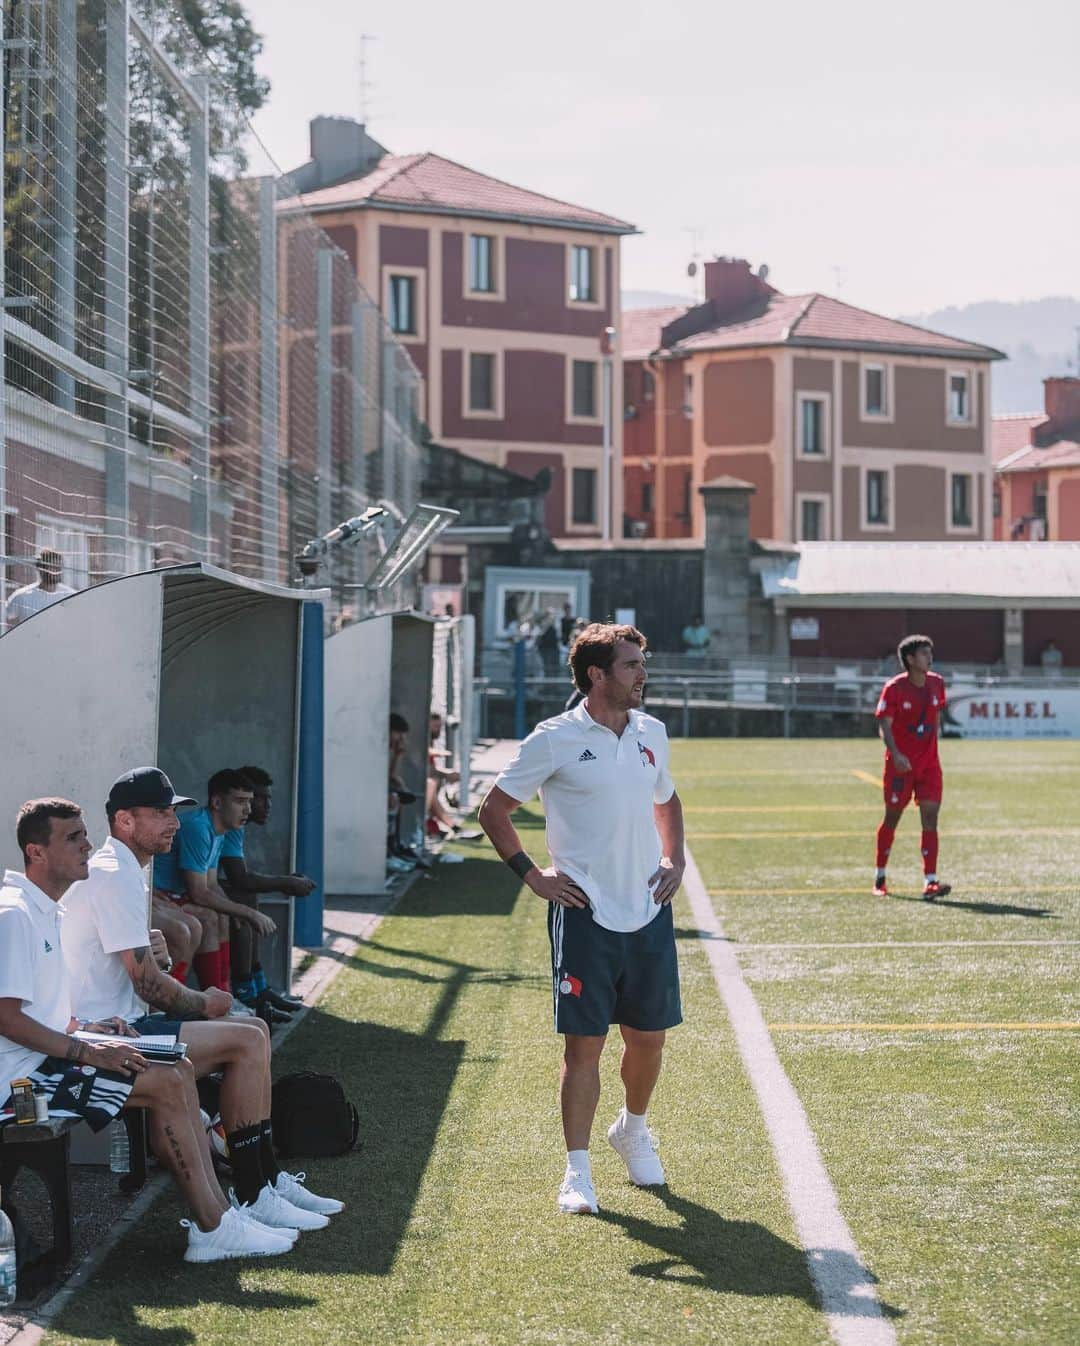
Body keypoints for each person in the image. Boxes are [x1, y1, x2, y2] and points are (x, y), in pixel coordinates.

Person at [0, 796, 297, 1263]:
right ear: (36, 852)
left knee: (175, 1069)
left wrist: (89, 1028)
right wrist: (88, 1050)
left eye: (85, 835)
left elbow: (41, 1009)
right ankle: (214, 1225)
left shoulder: (45, 909)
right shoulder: (14, 913)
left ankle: (221, 1217)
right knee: (166, 1080)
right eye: (73, 838)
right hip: (17, 1081)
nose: (88, 845)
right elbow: (7, 1018)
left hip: (48, 1057)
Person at [62, 768, 341, 1229]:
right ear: (125, 821)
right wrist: (207, 1002)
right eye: (160, 813)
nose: (173, 822)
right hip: (105, 1032)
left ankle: (265, 1180)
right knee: (248, 1037)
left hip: (122, 1022)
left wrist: (163, 961)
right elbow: (148, 987)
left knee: (253, 1028)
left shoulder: (125, 870)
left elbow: (142, 969)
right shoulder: (115, 873)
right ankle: (256, 1191)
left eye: (174, 812)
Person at [478, 622, 685, 1216]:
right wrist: (533, 875)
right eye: (631, 665)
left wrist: (674, 858)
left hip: (648, 908)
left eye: (642, 663)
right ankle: (577, 1172)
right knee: (584, 1050)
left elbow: (666, 799)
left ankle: (633, 1129)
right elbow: (494, 809)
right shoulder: (554, 738)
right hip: (585, 912)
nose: (642, 674)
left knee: (648, 1038)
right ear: (596, 676)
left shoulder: (652, 732)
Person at [153, 770, 276, 994]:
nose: (247, 810)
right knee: (206, 919)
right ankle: (182, 999)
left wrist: (234, 910)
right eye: (240, 801)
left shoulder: (219, 831)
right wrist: (249, 913)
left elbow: (211, 885)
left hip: (175, 895)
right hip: (160, 894)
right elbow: (199, 892)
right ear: (217, 802)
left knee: (221, 916)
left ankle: (224, 995)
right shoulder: (198, 827)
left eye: (249, 802)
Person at [219, 765, 313, 1014]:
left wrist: (285, 881)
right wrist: (285, 883)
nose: (265, 805)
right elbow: (240, 878)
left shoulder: (235, 826)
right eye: (260, 798)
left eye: (259, 799)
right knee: (242, 899)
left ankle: (257, 989)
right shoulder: (224, 825)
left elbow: (239, 879)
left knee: (245, 896)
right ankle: (246, 993)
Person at [873, 634, 951, 901]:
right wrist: (895, 754)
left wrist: (932, 749)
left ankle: (931, 881)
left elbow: (936, 715)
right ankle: (880, 876)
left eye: (930, 653)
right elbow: (884, 723)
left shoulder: (937, 683)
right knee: (892, 818)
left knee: (930, 819)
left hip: (929, 766)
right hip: (900, 767)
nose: (930, 658)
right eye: (923, 654)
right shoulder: (894, 688)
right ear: (909, 659)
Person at [3, 549, 76, 628]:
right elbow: (5, 620)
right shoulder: (22, 596)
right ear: (40, 568)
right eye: (52, 566)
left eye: (59, 566)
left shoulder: (71, 596)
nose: (57, 570)